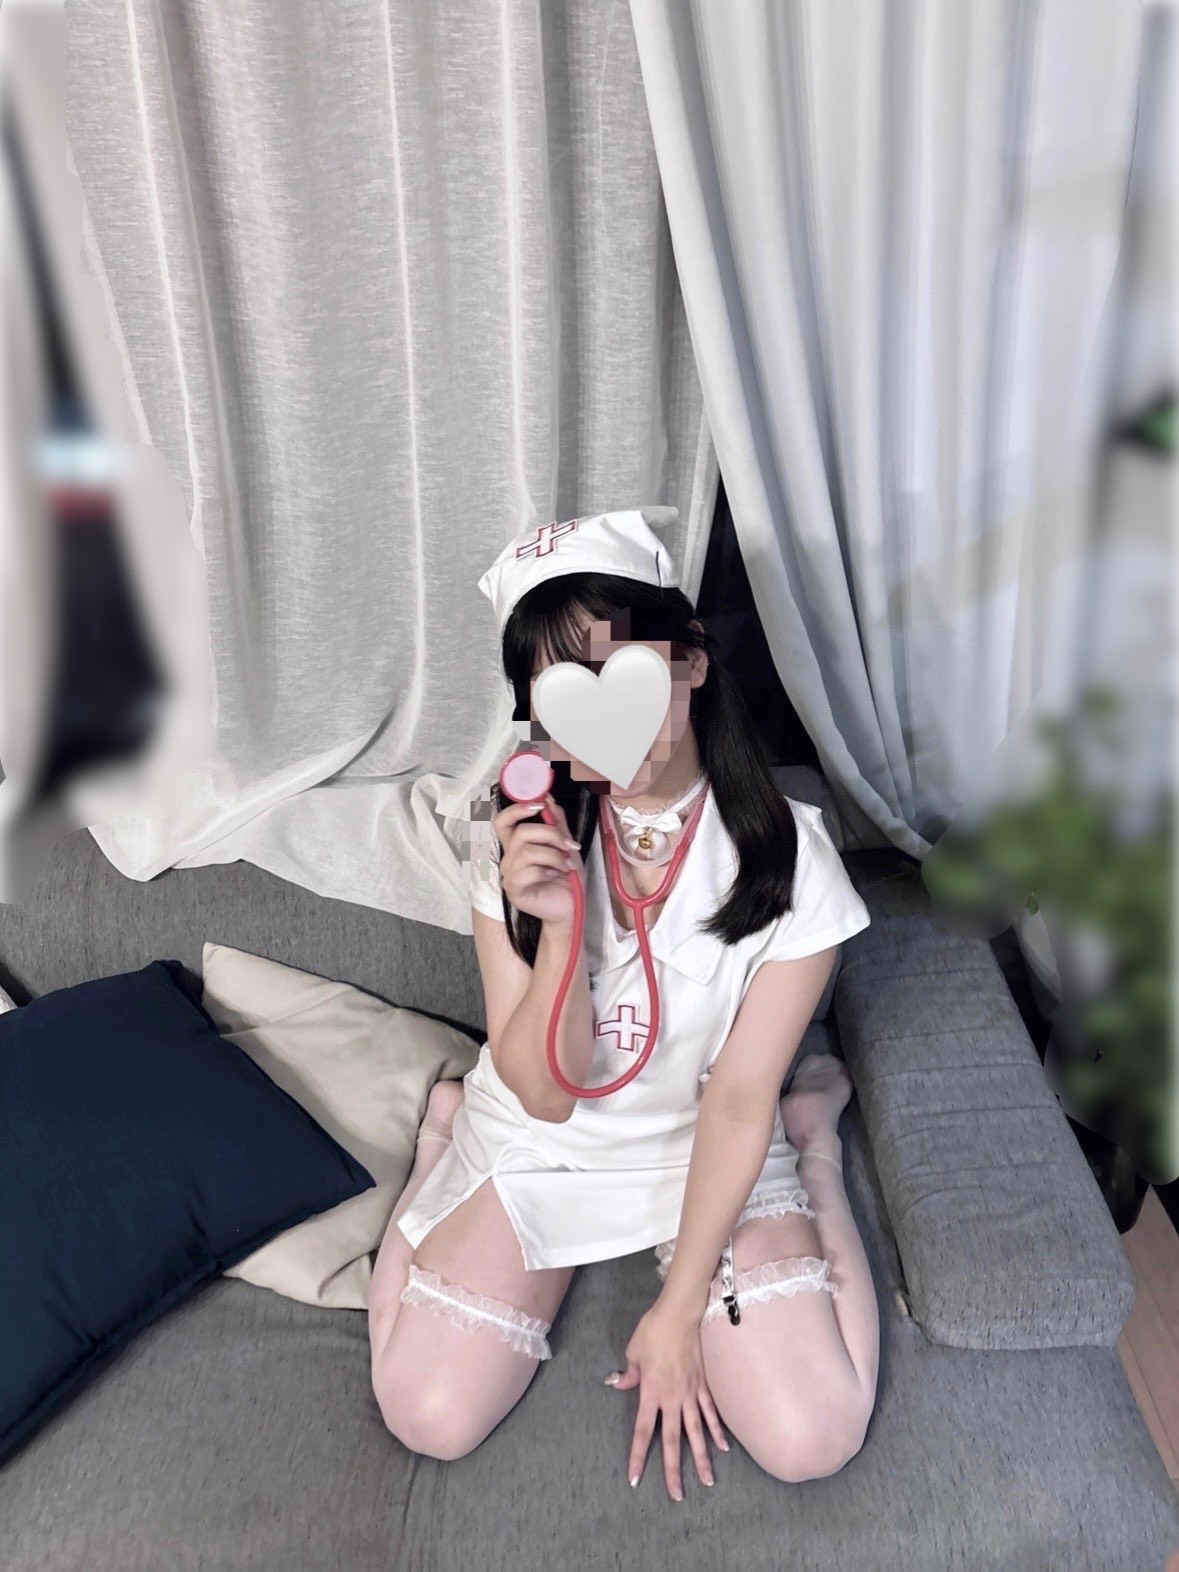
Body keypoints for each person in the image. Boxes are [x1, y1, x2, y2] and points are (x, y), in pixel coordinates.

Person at [368, 506, 879, 1500]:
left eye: (619, 672)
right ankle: (442, 1139)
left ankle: (814, 1138)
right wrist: (559, 923)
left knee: (814, 1436)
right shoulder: (510, 834)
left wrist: (678, 1313)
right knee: (425, 1413)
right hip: (543, 1139)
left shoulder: (794, 858)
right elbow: (545, 1093)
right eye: (561, 698)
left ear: (689, 658)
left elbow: (737, 1100)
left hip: (709, 1139)